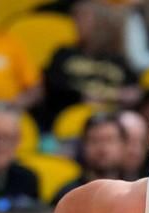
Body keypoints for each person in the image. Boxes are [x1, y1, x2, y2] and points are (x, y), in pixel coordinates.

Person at [38, 0, 139, 129]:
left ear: (101, 24)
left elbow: (133, 93)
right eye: (76, 18)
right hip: (67, 123)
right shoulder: (63, 54)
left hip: (111, 124)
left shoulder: (118, 60)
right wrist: (82, 97)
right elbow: (52, 88)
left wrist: (108, 97)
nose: (76, 23)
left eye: (83, 18)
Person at [50, 112, 129, 204]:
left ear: (124, 145)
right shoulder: (69, 196)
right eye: (94, 141)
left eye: (110, 140)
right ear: (83, 146)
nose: (103, 149)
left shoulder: (139, 190)